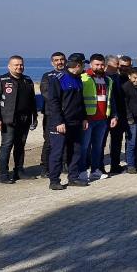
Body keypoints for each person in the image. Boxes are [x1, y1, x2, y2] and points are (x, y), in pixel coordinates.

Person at [44, 53, 88, 189]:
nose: (84, 67)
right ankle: (54, 181)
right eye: (83, 64)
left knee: (75, 151)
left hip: (76, 122)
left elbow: (81, 101)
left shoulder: (78, 78)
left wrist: (84, 118)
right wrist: (58, 121)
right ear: (78, 65)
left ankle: (73, 177)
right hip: (61, 123)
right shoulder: (59, 78)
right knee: (57, 152)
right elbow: (53, 102)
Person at [0, 56, 36, 183]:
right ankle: (3, 175)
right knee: (7, 145)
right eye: (16, 65)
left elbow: (32, 101)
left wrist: (34, 118)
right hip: (7, 120)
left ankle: (19, 171)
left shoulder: (27, 80)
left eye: (21, 65)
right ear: (9, 66)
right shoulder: (1, 80)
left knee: (20, 146)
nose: (19, 67)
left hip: (25, 119)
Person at [79, 54, 117, 182]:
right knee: (84, 147)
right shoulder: (83, 78)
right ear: (91, 64)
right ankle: (82, 171)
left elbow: (111, 100)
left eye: (102, 65)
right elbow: (79, 101)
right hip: (88, 119)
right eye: (97, 64)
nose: (99, 67)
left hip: (102, 119)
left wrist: (114, 116)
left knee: (98, 147)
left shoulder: (108, 80)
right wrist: (83, 117)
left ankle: (95, 170)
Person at [38, 51, 67, 178]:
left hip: (68, 113)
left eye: (61, 59)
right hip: (52, 114)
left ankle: (65, 164)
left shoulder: (69, 74)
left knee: (67, 140)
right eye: (56, 60)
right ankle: (45, 167)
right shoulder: (47, 76)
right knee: (49, 141)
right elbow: (47, 94)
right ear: (52, 62)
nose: (59, 62)